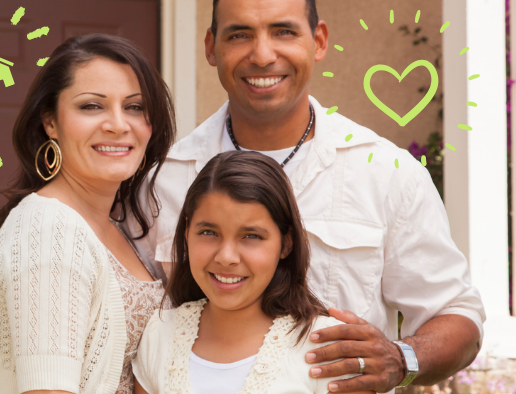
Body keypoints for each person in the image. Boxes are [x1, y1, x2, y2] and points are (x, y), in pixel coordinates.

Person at [139, 0, 485, 393]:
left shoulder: (386, 174)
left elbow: (457, 315)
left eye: (283, 31)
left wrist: (401, 358)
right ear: (211, 47)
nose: (263, 55)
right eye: (239, 34)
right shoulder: (163, 182)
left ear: (319, 41)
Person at [0, 33, 176, 394]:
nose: (118, 124)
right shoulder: (47, 228)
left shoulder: (116, 226)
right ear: (50, 122)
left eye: (135, 107)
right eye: (91, 106)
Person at [132, 151, 358, 394]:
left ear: (286, 243)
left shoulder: (328, 347)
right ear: (187, 232)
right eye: (209, 232)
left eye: (251, 236)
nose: (226, 257)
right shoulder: (159, 334)